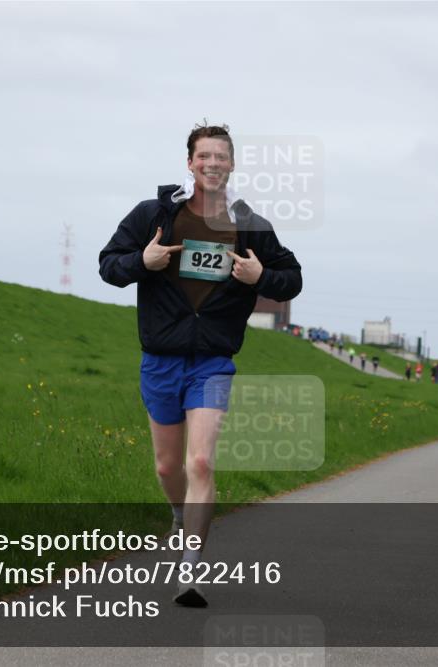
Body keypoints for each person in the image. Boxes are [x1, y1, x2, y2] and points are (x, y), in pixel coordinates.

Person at [98, 122, 302, 607]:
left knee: (202, 461)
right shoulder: (153, 215)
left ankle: (190, 570)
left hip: (212, 361)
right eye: (204, 156)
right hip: (161, 359)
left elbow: (291, 279)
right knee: (168, 466)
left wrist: (261, 275)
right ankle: (178, 513)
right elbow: (108, 265)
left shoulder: (251, 226)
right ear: (189, 163)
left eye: (221, 156)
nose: (212, 163)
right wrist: (141, 261)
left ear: (232, 164)